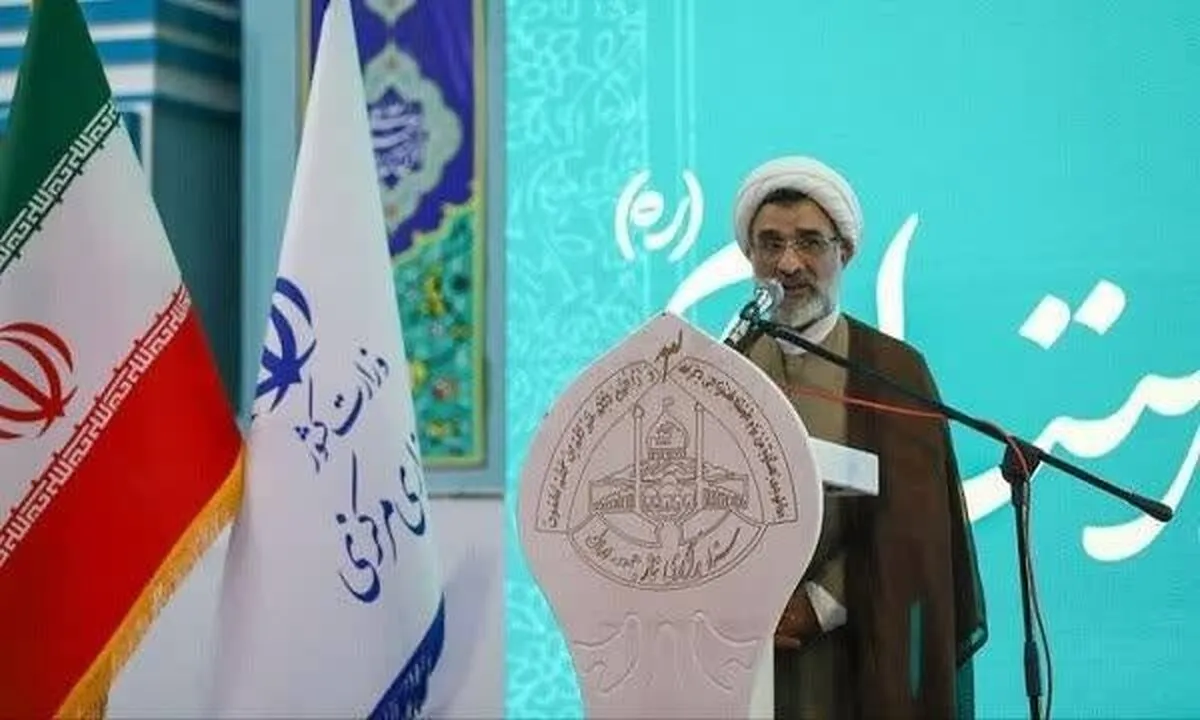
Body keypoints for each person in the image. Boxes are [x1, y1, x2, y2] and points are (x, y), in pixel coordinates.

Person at [731, 156, 988, 719]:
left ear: (843, 252)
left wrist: (819, 604)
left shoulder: (892, 371)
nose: (788, 264)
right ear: (749, 256)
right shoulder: (723, 372)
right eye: (770, 244)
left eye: (809, 242)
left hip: (858, 652)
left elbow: (915, 528)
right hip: (737, 656)